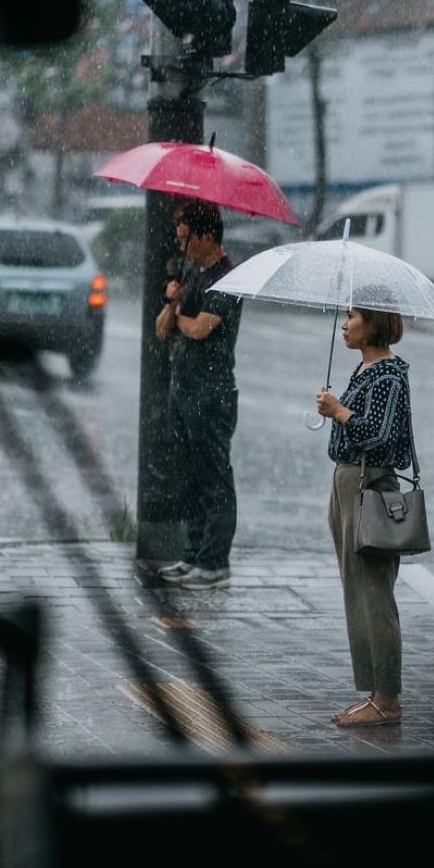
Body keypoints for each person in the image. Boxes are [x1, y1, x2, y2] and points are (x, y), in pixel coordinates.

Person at [315, 305, 412, 727]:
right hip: (347, 482)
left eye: (352, 316)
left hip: (369, 486)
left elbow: (381, 434)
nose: (345, 325)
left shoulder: (389, 375)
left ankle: (386, 699)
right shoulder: (363, 371)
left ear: (373, 323)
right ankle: (374, 694)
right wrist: (336, 411)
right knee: (358, 592)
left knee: (374, 594)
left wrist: (339, 411)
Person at [154, 200, 242, 590]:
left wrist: (179, 318)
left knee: (214, 476)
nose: (182, 247)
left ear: (207, 236)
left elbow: (201, 328)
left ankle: (214, 561)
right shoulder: (191, 276)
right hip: (184, 389)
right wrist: (172, 299)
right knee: (188, 475)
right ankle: (192, 554)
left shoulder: (228, 278)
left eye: (186, 238)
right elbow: (161, 329)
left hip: (213, 393)